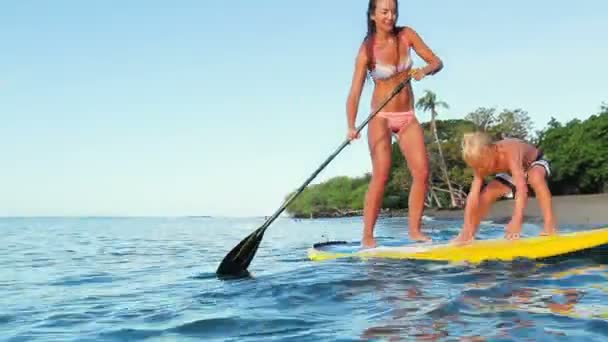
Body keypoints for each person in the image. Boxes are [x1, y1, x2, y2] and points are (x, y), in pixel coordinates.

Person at [346, 0, 443, 248]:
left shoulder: (407, 34)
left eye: (393, 11)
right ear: (372, 15)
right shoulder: (367, 50)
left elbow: (436, 62)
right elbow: (355, 92)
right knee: (382, 172)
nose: (390, 16)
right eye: (384, 12)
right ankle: (368, 235)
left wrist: (425, 71)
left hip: (407, 116)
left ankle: (415, 231)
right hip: (380, 117)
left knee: (421, 171)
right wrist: (351, 125)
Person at [452, 132, 558, 244]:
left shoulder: (510, 151)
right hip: (512, 172)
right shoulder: (481, 162)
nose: (482, 168)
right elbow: (472, 197)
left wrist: (517, 220)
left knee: (535, 177)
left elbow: (521, 189)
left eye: (482, 164)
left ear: (492, 149)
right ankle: (469, 234)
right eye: (477, 166)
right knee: (486, 195)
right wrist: (466, 228)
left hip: (535, 162)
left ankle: (549, 225)